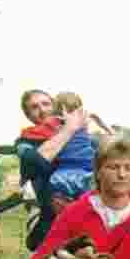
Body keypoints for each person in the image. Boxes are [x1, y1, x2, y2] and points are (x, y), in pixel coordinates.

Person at [15, 90, 97, 250]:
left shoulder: (81, 136)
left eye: (46, 104)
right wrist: (69, 129)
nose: (43, 110)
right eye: (34, 107)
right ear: (28, 115)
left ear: (56, 107)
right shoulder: (25, 141)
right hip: (47, 217)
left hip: (82, 213)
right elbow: (36, 161)